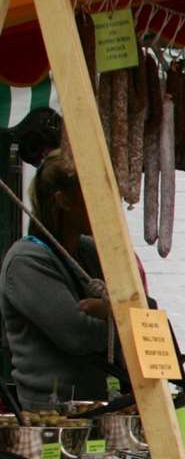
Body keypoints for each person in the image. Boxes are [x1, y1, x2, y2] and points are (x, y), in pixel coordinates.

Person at [0, 151, 123, 407]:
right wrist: (122, 318)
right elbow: (77, 335)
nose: (105, 204)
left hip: (100, 406)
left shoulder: (89, 250)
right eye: (93, 195)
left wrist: (109, 310)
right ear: (64, 201)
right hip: (53, 414)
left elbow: (146, 306)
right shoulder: (26, 261)